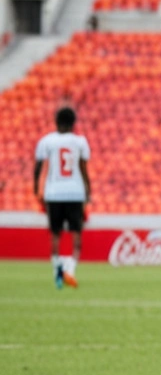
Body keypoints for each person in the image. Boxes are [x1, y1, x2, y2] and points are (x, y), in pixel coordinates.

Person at [34, 107, 91, 289]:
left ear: (56, 121)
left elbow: (38, 168)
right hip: (75, 192)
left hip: (54, 192)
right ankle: (71, 271)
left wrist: (37, 189)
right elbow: (83, 168)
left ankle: (57, 272)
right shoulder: (80, 142)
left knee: (56, 234)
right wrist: (88, 190)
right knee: (76, 234)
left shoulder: (46, 141)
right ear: (74, 123)